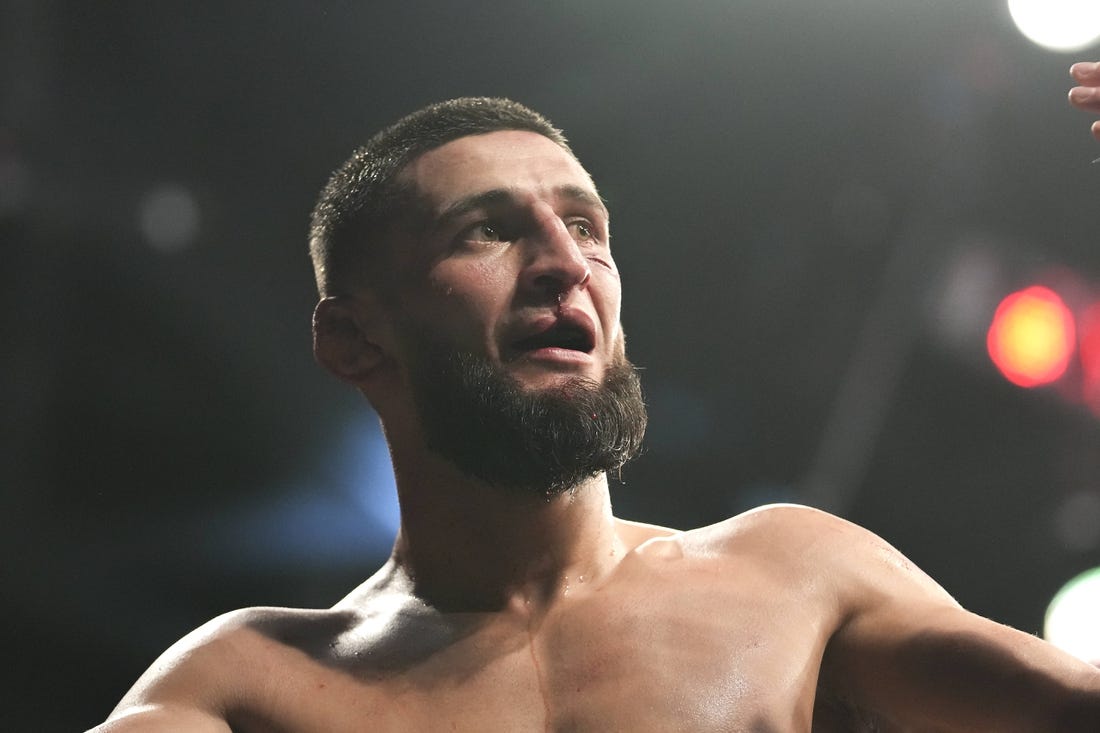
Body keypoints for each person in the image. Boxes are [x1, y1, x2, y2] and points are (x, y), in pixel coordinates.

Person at [91, 65, 1100, 732]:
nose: (562, 263)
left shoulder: (792, 574)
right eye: (486, 230)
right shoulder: (251, 685)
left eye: (585, 226)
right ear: (352, 337)